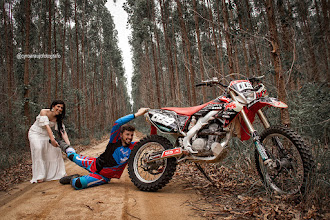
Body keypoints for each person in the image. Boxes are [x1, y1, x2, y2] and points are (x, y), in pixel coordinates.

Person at [58, 108, 149, 190]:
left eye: (132, 135)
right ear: (121, 135)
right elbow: (118, 123)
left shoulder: (134, 147)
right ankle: (61, 143)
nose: (130, 137)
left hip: (102, 176)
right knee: (71, 156)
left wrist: (151, 123)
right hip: (93, 163)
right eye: (127, 134)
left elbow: (151, 141)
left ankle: (74, 177)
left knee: (77, 184)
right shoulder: (114, 141)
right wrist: (137, 114)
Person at [28, 100, 71, 183]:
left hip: (46, 135)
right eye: (58, 106)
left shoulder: (58, 118)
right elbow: (47, 126)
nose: (59, 109)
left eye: (62, 108)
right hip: (35, 133)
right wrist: (52, 140)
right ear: (53, 106)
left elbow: (62, 132)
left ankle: (59, 172)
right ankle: (39, 176)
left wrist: (68, 145)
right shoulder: (44, 112)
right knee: (38, 148)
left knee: (56, 150)